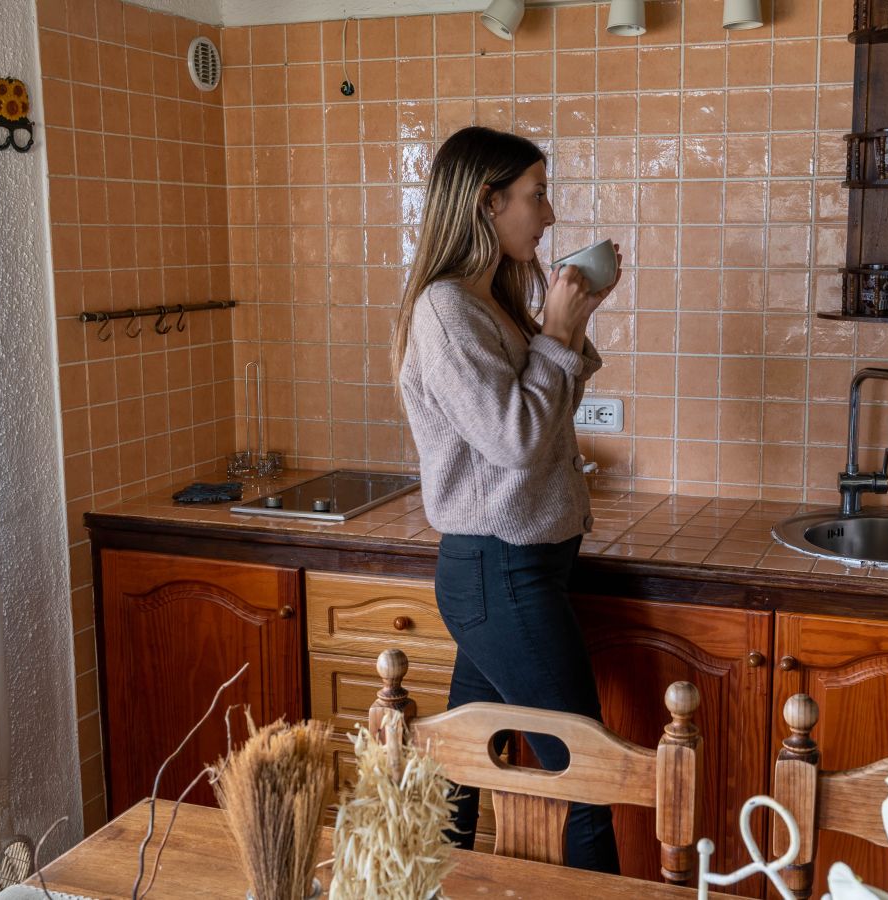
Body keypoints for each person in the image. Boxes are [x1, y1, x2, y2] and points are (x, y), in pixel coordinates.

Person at [390, 125, 623, 874]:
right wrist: (555, 332)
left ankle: (433, 889)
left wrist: (568, 326)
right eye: (536, 195)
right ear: (488, 203)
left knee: (462, 768)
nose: (549, 214)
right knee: (586, 771)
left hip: (519, 573)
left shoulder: (486, 301)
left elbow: (540, 413)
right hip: (501, 573)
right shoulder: (445, 310)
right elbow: (514, 441)